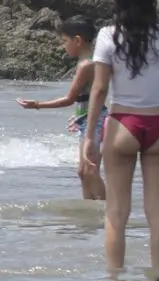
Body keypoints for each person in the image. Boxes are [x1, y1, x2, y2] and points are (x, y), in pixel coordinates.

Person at [85, 0, 159, 272]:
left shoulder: (107, 35)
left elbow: (100, 89)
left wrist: (89, 135)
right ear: (152, 2)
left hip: (121, 123)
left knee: (116, 212)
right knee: (158, 210)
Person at [16, 14, 106, 200]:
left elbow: (69, 99)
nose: (64, 46)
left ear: (78, 40)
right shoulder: (93, 61)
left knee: (89, 169)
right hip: (89, 118)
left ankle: (109, 209)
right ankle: (88, 212)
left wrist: (37, 105)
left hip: (93, 121)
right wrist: (79, 116)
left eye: (65, 41)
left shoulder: (86, 65)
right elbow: (86, 97)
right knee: (83, 171)